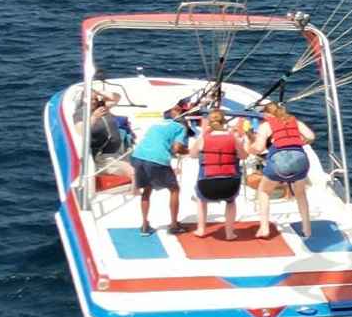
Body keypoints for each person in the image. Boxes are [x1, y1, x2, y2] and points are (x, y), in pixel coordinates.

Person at [251, 101, 315, 238]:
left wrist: (250, 148)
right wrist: (301, 143)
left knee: (264, 191)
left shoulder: (266, 126)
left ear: (267, 115)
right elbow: (311, 136)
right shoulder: (295, 121)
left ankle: (264, 228)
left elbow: (259, 148)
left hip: (279, 163)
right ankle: (307, 229)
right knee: (300, 194)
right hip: (300, 160)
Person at [128, 107, 191, 235]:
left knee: (147, 189)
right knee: (174, 189)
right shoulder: (180, 128)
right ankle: (174, 225)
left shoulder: (155, 124)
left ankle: (144, 225)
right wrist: (189, 151)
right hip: (157, 159)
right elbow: (177, 148)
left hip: (138, 156)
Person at [192, 110, 248, 239]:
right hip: (230, 186)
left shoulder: (202, 138)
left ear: (209, 123)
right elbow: (244, 156)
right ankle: (229, 233)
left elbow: (193, 155)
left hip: (207, 186)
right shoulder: (233, 138)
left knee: (201, 200)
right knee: (231, 201)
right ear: (224, 122)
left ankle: (201, 229)